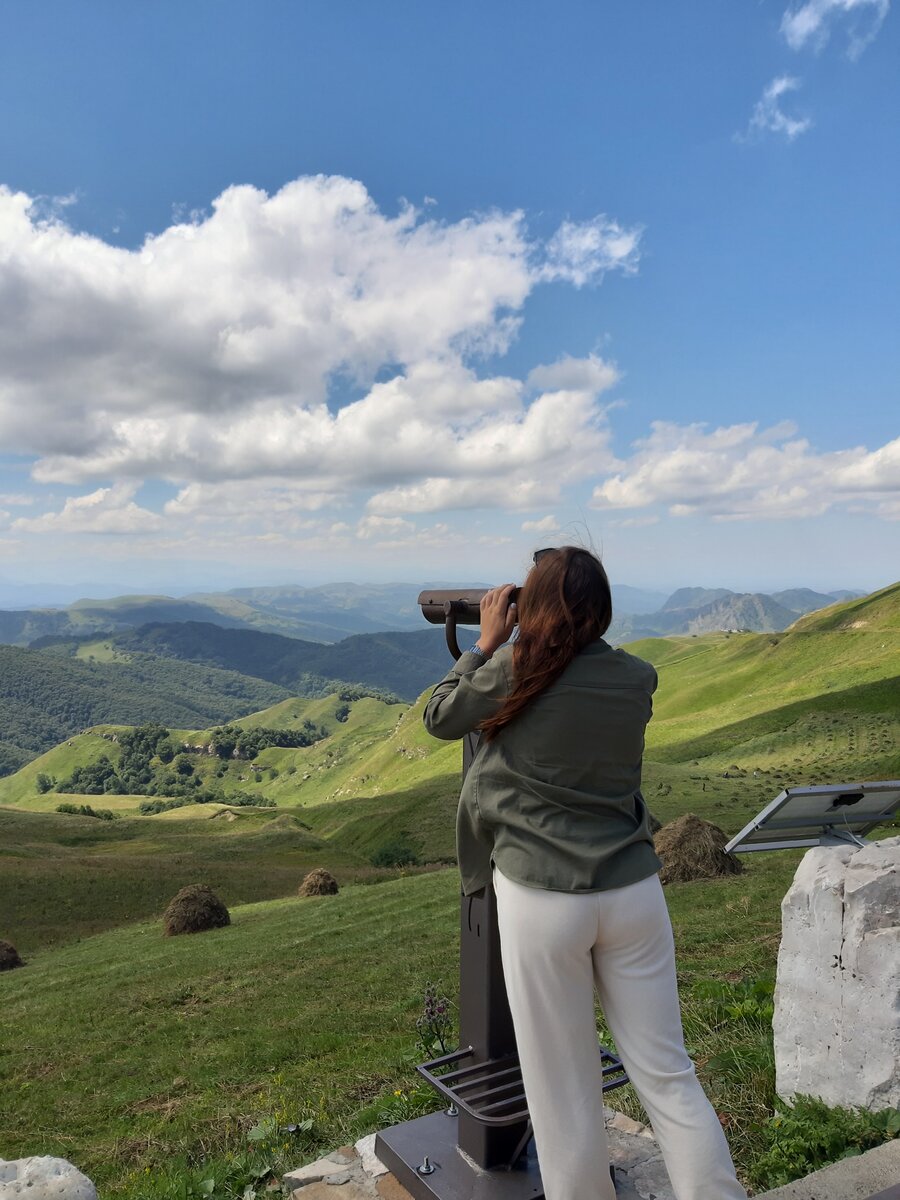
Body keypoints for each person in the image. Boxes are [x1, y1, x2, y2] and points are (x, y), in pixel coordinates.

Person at [423, 547, 748, 1200]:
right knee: (668, 1074)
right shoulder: (638, 679)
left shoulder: (512, 669)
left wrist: (487, 642)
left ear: (532, 608)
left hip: (543, 900)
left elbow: (441, 716)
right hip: (632, 892)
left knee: (563, 1092)